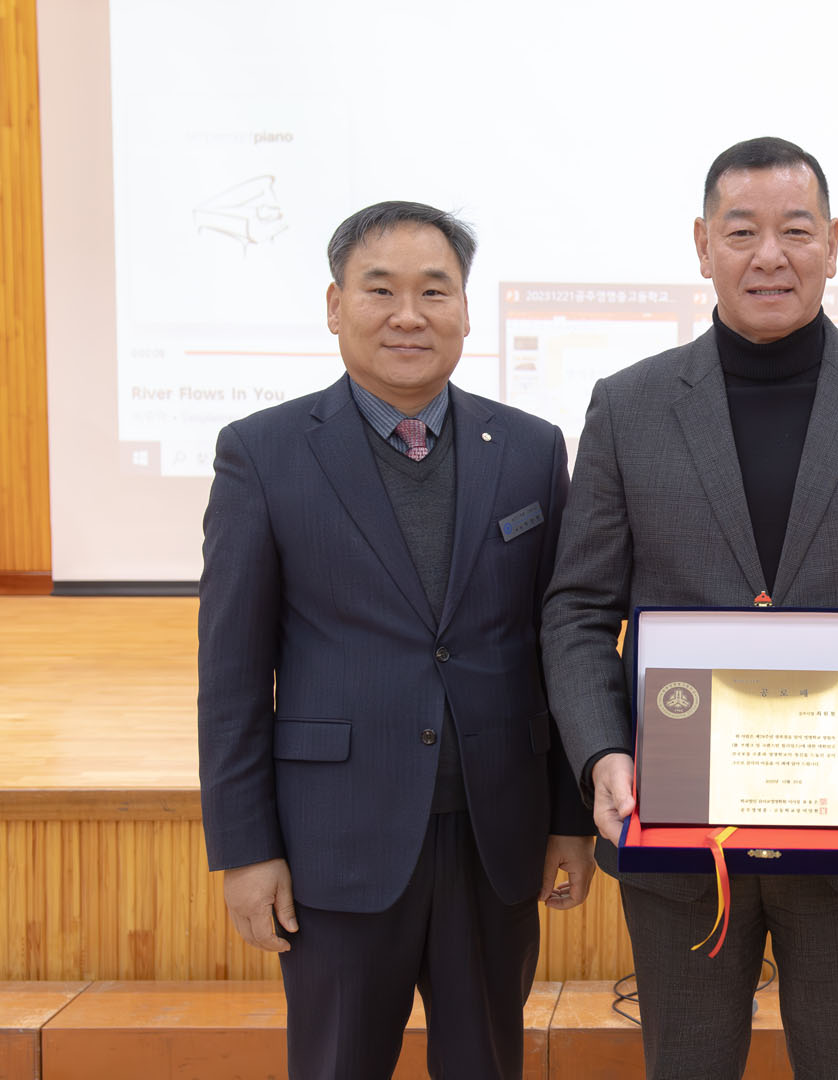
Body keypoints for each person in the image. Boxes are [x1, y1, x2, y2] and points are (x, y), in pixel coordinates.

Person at [541, 136, 838, 1078]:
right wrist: (601, 751)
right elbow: (578, 607)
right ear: (702, 245)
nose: (770, 256)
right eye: (742, 231)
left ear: (833, 242)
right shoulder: (629, 406)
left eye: (796, 230)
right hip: (677, 830)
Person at [197, 201, 596, 1079]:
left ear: (466, 310)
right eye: (380, 290)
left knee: (487, 1063)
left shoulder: (530, 450)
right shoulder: (263, 454)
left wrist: (569, 821)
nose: (408, 315)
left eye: (434, 292)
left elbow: (559, 645)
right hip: (336, 843)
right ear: (335, 305)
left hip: (494, 837)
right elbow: (231, 676)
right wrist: (246, 849)